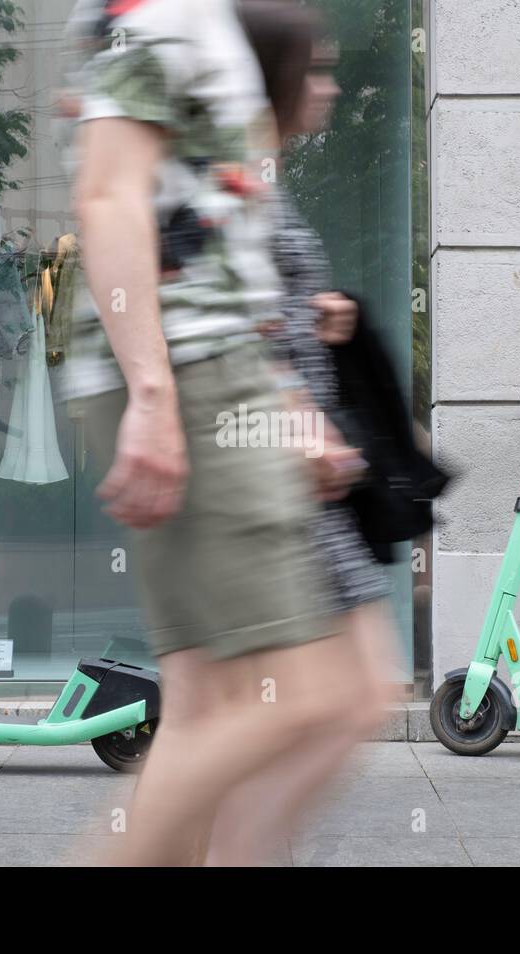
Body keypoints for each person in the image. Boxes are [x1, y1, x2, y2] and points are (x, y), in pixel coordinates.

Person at [67, 0, 371, 866]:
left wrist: (281, 385)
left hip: (217, 374)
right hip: (200, 379)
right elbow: (107, 193)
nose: (328, 85)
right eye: (315, 70)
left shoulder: (191, 27)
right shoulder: (163, 16)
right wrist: (157, 396)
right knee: (302, 698)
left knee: (219, 703)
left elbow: (203, 241)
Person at [201, 0, 402, 865]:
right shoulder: (232, 181)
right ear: (271, 80)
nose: (328, 85)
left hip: (294, 477)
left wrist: (328, 315)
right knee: (338, 698)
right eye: (314, 69)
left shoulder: (254, 177)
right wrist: (306, 426)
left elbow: (260, 314)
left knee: (333, 698)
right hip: (281, 476)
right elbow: (230, 327)